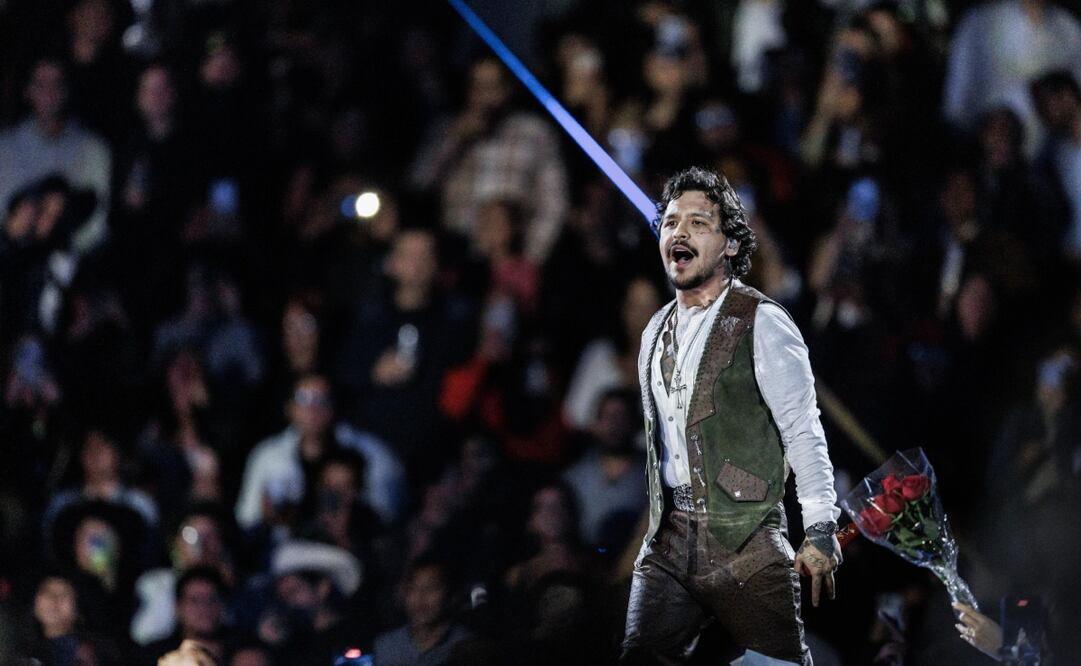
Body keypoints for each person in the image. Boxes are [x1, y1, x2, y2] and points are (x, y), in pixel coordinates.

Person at [621, 167, 841, 665]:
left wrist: (821, 525)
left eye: (698, 222)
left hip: (745, 531)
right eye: (671, 222)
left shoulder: (763, 321)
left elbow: (803, 430)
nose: (679, 232)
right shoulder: (653, 331)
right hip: (670, 536)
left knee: (779, 663)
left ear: (731, 246)